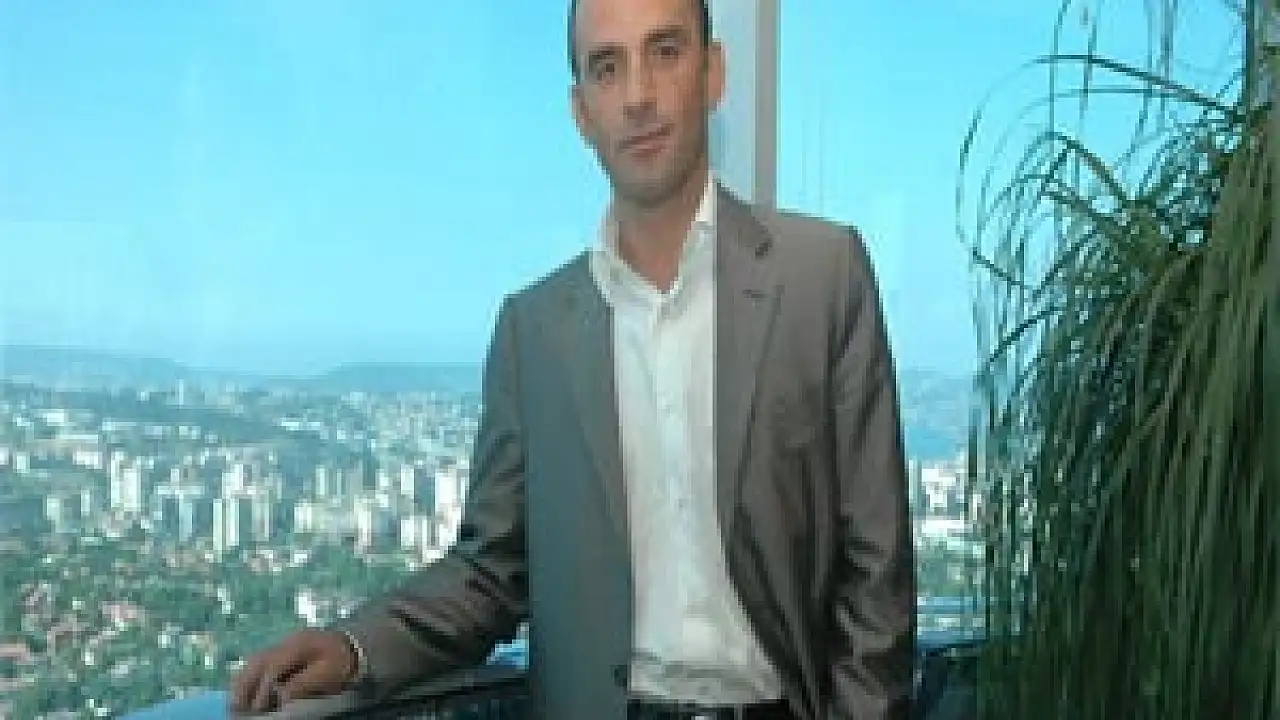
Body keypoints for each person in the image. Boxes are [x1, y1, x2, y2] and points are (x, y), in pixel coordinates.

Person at [229, 0, 916, 717]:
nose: (639, 95)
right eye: (607, 67)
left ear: (713, 73)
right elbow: (491, 573)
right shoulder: (533, 336)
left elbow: (877, 570)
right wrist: (352, 648)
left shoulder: (822, 278)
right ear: (582, 112)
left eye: (665, 52)